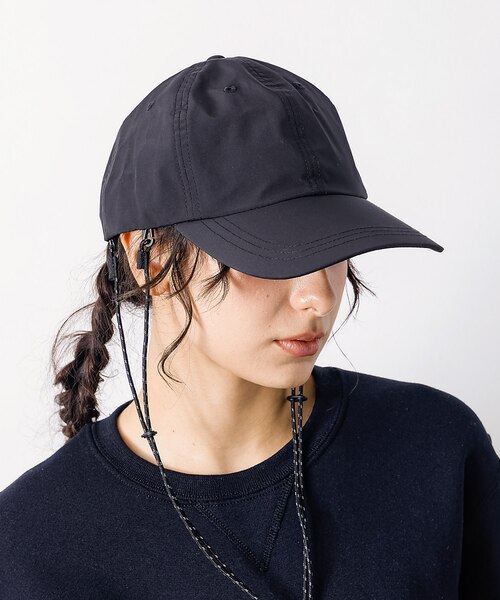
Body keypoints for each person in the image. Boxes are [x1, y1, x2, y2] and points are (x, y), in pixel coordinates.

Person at [0, 55, 498, 600]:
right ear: (151, 258)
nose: (318, 296)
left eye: (334, 247)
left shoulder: (433, 449)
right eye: (274, 251)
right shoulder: (33, 546)